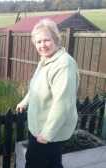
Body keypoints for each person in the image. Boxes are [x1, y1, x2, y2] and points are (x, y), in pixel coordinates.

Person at [16, 19, 79, 168]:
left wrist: (47, 134)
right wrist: (25, 102)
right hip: (40, 127)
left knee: (34, 163)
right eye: (38, 42)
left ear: (56, 40)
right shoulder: (45, 59)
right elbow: (36, 87)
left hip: (49, 131)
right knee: (53, 164)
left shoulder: (64, 65)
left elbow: (62, 104)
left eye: (46, 40)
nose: (42, 45)